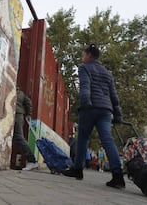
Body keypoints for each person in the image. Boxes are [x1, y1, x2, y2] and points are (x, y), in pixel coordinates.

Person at [62, 44, 125, 189]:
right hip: (106, 110)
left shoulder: (84, 68)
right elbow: (114, 96)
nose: (82, 57)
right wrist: (118, 115)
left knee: (83, 139)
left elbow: (85, 87)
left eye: (83, 55)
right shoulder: (107, 73)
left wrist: (85, 104)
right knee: (108, 140)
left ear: (89, 55)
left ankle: (78, 170)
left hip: (90, 108)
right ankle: (118, 176)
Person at [13, 87, 38, 171]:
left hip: (18, 114)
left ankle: (32, 160)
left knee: (19, 137)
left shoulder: (20, 93)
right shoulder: (19, 92)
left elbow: (28, 103)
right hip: (12, 114)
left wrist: (28, 114)